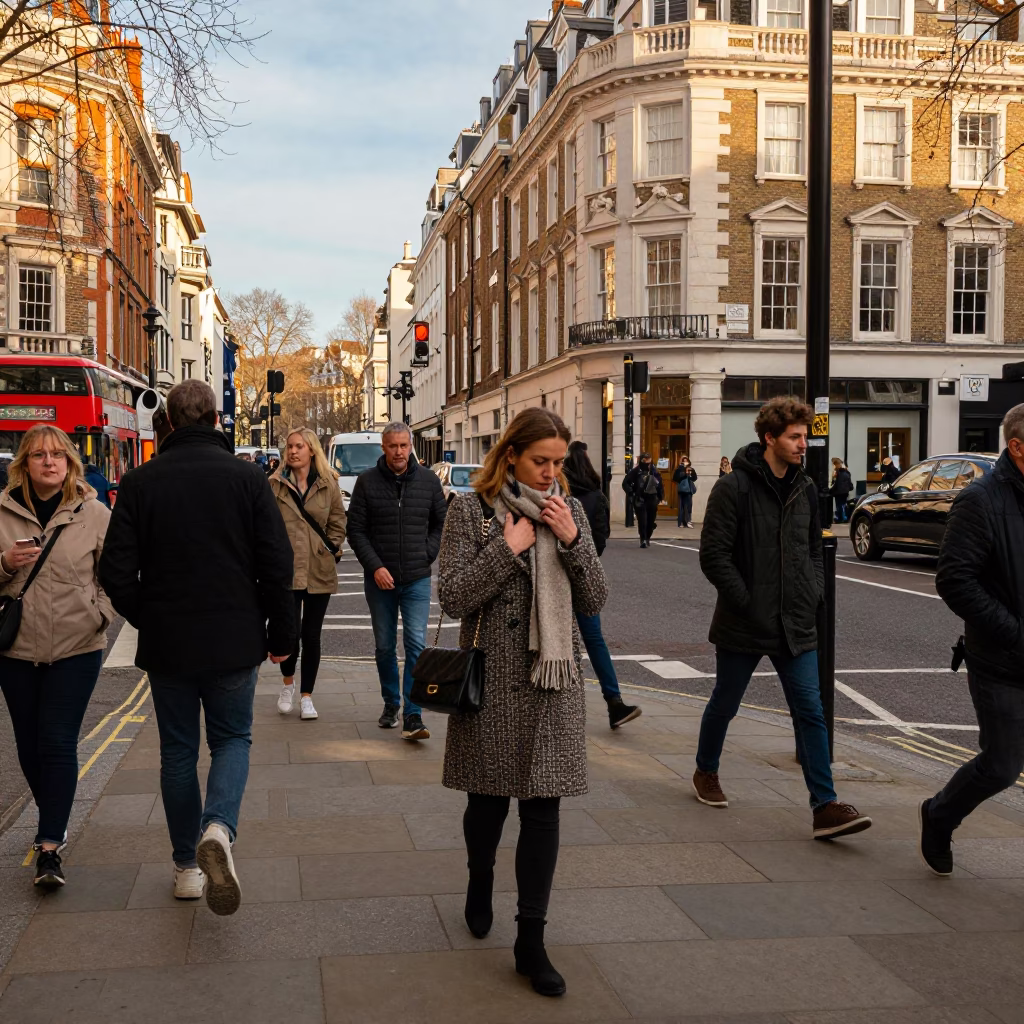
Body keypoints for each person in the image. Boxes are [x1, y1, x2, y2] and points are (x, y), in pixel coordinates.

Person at [99, 380, 295, 915]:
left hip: (169, 643)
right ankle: (219, 828)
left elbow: (114, 570)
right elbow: (276, 565)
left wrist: (150, 616)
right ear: (215, 420)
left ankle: (187, 866)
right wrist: (281, 637)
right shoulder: (247, 479)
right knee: (232, 740)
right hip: (234, 638)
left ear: (167, 422)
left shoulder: (139, 482)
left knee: (178, 753)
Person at [438, 407, 607, 998]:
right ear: (511, 455)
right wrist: (505, 549)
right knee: (486, 807)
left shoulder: (572, 511)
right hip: (490, 686)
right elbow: (454, 598)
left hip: (551, 681)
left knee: (543, 811)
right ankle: (479, 878)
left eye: (559, 463)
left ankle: (530, 938)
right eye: (541, 462)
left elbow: (595, 598)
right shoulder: (470, 511)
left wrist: (571, 540)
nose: (552, 474)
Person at [696, 396, 872, 839]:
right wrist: (748, 600)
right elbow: (714, 556)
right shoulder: (733, 488)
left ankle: (825, 806)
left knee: (810, 711)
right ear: (769, 438)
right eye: (795, 436)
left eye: (805, 436)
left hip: (795, 621)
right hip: (745, 622)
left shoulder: (807, 488)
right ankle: (706, 771)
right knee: (726, 703)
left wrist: (812, 589)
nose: (803, 444)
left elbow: (814, 548)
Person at [0, 425, 114, 890]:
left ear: (70, 462)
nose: (49, 462)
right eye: (39, 455)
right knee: (28, 745)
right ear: (24, 463)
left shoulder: (94, 514)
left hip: (76, 647)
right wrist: (5, 564)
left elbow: (117, 572)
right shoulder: (2, 512)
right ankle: (56, 816)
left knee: (58, 742)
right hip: (15, 648)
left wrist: (99, 614)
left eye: (58, 455)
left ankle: (49, 847)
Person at [920, 403, 1024, 876]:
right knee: (1002, 766)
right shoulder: (980, 500)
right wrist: (1014, 633)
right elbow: (955, 580)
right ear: (1017, 446)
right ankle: (939, 815)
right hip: (1003, 660)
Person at [347, 421, 447, 740]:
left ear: (411, 446)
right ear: (384, 447)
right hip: (380, 581)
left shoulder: (429, 482)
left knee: (416, 645)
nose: (399, 452)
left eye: (404, 446)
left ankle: (413, 713)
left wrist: (425, 555)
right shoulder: (366, 482)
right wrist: (375, 566)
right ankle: (391, 703)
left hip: (416, 578)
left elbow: (440, 525)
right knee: (384, 646)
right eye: (393, 446)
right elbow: (356, 531)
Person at [270, 428, 347, 721]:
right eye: (289, 446)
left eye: (299, 446)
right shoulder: (274, 485)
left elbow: (338, 522)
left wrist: (332, 549)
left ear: (312, 450)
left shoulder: (328, 484)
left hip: (318, 568)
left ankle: (307, 697)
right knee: (289, 634)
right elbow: (266, 525)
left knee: (312, 635)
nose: (293, 451)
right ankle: (287, 685)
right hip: (287, 572)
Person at [564, 440, 641, 729]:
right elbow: (601, 538)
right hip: (583, 576)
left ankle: (562, 704)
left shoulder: (560, 494)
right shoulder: (597, 496)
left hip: (554, 578)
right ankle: (614, 702)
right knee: (594, 639)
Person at [622, 453, 663, 548]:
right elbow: (625, 483)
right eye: (645, 460)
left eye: (648, 460)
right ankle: (643, 539)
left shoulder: (654, 471)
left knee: (650, 520)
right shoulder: (635, 471)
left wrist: (660, 497)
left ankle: (648, 537)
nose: (647, 462)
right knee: (642, 520)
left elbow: (660, 484)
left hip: (652, 498)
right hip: (640, 499)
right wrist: (631, 493)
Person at [672, 455, 698, 528]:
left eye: (686, 460)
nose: (685, 462)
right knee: (681, 507)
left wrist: (690, 474)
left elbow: (695, 478)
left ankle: (688, 521)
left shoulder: (691, 469)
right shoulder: (679, 469)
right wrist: (684, 473)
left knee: (689, 506)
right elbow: (675, 478)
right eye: (684, 460)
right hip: (682, 490)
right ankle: (681, 522)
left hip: (689, 490)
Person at [829, 457, 853, 524]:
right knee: (843, 504)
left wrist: (830, 490)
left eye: (833, 464)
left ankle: (840, 518)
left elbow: (836, 483)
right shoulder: (846, 471)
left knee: (839, 505)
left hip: (839, 492)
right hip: (845, 491)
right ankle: (845, 517)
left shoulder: (837, 473)